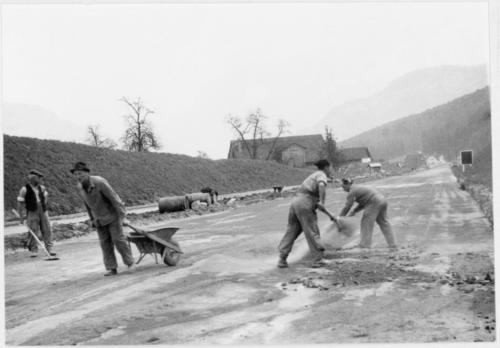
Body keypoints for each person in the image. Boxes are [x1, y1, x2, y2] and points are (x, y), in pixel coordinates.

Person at [70, 162, 135, 276]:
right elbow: (87, 205)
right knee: (105, 243)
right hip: (98, 219)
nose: (78, 177)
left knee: (118, 240)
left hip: (112, 216)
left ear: (87, 173)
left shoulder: (99, 182)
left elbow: (115, 199)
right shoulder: (80, 187)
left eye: (80, 174)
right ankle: (111, 268)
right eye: (76, 175)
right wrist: (91, 219)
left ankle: (130, 263)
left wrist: (123, 217)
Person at [277, 159, 335, 268]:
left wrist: (331, 216)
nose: (331, 170)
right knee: (312, 230)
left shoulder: (313, 176)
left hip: (296, 202)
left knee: (292, 231)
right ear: (326, 167)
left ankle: (282, 259)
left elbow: (317, 204)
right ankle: (318, 259)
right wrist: (323, 201)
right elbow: (322, 186)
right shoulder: (321, 174)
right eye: (330, 168)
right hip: (305, 203)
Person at [338, 178, 397, 250]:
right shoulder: (358, 188)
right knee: (384, 223)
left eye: (343, 187)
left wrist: (339, 218)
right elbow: (364, 202)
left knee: (366, 222)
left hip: (374, 201)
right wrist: (354, 211)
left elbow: (347, 207)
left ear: (347, 184)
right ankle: (392, 244)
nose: (343, 189)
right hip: (382, 200)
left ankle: (364, 245)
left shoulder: (352, 191)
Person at [17, 169, 56, 257]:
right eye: (38, 178)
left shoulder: (42, 188)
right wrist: (21, 216)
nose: (40, 180)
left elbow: (46, 196)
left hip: (43, 210)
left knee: (47, 229)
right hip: (32, 211)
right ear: (33, 178)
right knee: (33, 230)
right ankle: (34, 250)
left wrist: (43, 205)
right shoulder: (24, 189)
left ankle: (49, 249)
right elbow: (20, 203)